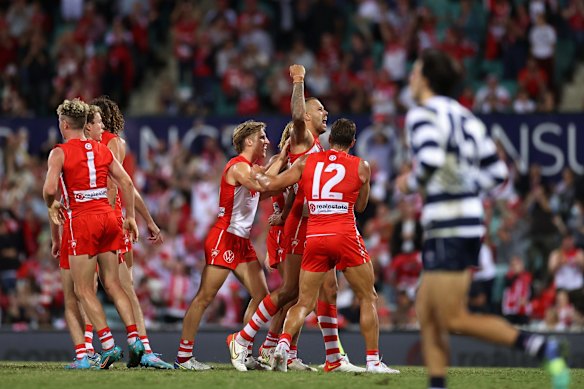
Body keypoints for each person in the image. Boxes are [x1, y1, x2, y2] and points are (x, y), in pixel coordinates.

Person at [395, 49, 570, 389]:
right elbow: (497, 173)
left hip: (449, 222)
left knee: (451, 315)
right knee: (426, 310)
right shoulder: (467, 117)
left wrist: (408, 183)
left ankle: (541, 347)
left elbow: (428, 161)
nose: (411, 78)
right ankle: (436, 383)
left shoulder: (422, 114)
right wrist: (465, 188)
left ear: (427, 78)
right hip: (462, 219)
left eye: (415, 72)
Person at [231, 65, 362, 373]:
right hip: (301, 227)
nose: (325, 112)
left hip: (312, 224)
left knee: (326, 290)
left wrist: (287, 205)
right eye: (319, 109)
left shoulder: (316, 149)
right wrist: (299, 81)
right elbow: (295, 116)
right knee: (292, 292)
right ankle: (247, 340)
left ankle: (328, 357)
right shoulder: (303, 141)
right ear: (307, 116)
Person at [251, 118, 400, 374]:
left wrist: (277, 162)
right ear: (353, 142)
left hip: (315, 237)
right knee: (368, 296)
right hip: (344, 235)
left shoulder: (307, 162)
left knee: (304, 302)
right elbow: (361, 206)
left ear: (328, 141)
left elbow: (272, 185)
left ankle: (283, 347)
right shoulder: (362, 166)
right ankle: (373, 362)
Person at [175, 120, 287, 371]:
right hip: (224, 238)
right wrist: (284, 161)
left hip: (242, 242)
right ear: (249, 141)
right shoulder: (237, 167)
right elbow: (263, 185)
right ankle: (183, 357)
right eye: (262, 137)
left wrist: (281, 161)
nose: (267, 141)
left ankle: (243, 349)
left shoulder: (251, 169)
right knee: (204, 297)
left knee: (261, 296)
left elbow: (264, 187)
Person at [44, 98, 143, 369]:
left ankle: (108, 346)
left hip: (82, 220)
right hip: (109, 218)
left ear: (64, 125)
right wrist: (131, 217)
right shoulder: (102, 149)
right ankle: (135, 340)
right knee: (114, 284)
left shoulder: (59, 152)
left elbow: (50, 188)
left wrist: (51, 205)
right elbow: (126, 181)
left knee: (83, 289)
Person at [90, 96, 172, 369]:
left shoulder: (112, 143)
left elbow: (122, 186)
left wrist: (142, 218)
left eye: (96, 117)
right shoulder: (87, 147)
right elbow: (128, 186)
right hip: (101, 219)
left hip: (108, 220)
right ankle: (99, 350)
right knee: (98, 287)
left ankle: (142, 348)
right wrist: (147, 219)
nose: (93, 122)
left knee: (119, 287)